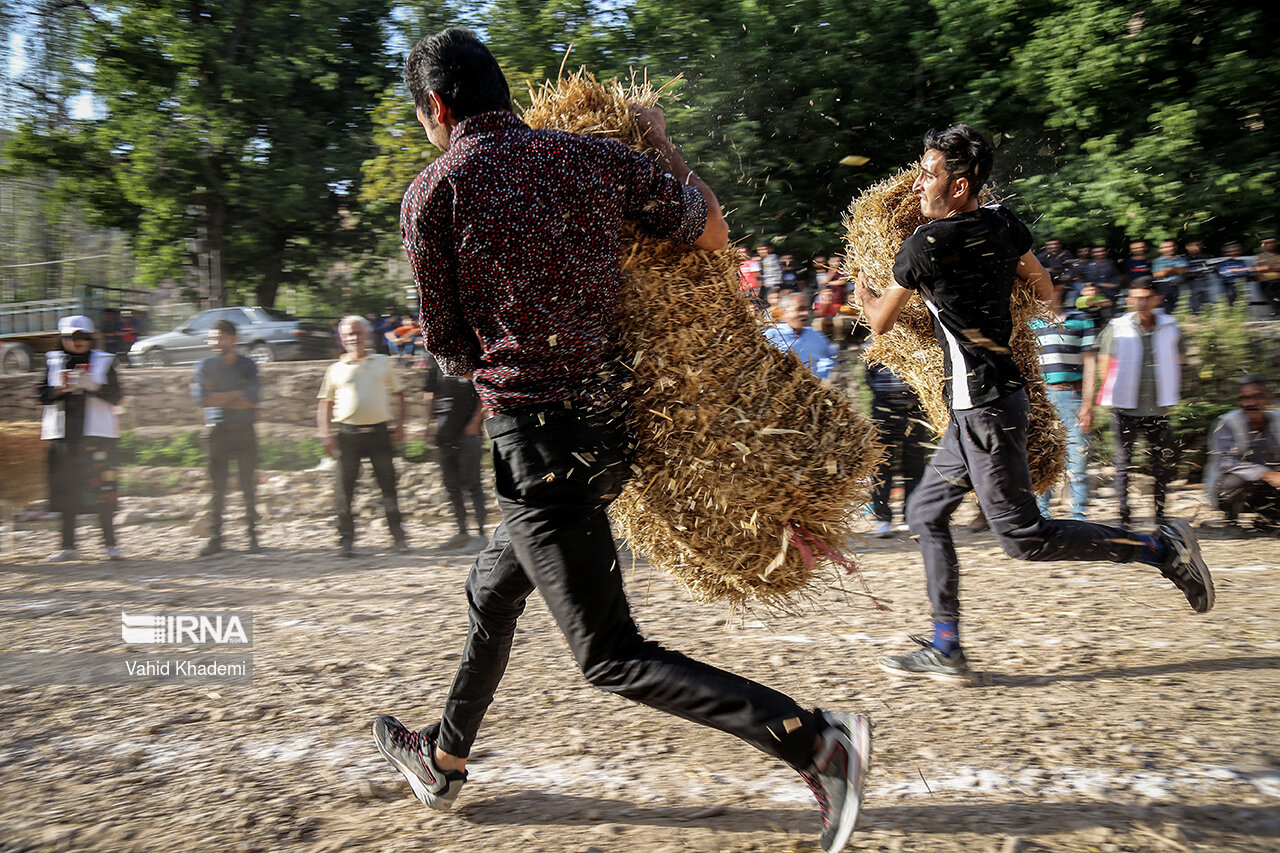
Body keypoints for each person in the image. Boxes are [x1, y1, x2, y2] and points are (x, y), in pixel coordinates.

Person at [372, 29, 870, 853]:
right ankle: (445, 753)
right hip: (611, 435)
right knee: (493, 589)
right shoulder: (588, 159)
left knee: (610, 656)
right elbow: (709, 230)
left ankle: (816, 741)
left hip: (536, 449)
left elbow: (453, 349)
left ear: (437, 106)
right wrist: (666, 142)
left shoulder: (434, 193)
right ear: (501, 89)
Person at [853, 124, 1213, 684]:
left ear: (960, 185)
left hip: (983, 410)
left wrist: (861, 290)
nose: (920, 183)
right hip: (989, 403)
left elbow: (880, 320)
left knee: (1025, 539)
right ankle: (946, 646)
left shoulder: (924, 244)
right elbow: (1044, 288)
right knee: (925, 514)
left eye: (930, 174)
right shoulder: (1001, 223)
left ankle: (1161, 548)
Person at [317, 315, 409, 557]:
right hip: (347, 435)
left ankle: (398, 537)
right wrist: (326, 434)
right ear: (342, 338)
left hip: (379, 433)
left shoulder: (383, 363)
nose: (353, 338)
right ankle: (346, 541)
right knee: (344, 490)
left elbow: (400, 394)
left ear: (367, 335)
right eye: (348, 334)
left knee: (388, 487)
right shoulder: (335, 369)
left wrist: (400, 426)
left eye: (358, 333)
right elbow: (325, 404)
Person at [1095, 279, 1183, 528]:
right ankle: (1124, 517)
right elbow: (1104, 360)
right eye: (1136, 297)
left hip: (1158, 408)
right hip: (1125, 407)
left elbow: (1177, 359)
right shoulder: (1118, 327)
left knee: (1162, 463)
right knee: (1123, 463)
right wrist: (1114, 392)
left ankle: (1161, 516)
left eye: (1146, 297)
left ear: (1156, 299)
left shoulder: (1170, 326)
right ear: (1129, 299)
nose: (1141, 302)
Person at [38, 315, 123, 562]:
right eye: (72, 337)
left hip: (97, 436)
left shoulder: (105, 362)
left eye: (83, 337)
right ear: (62, 339)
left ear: (90, 338)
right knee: (66, 490)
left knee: (103, 492)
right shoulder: (53, 362)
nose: (78, 342)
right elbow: (40, 395)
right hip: (63, 437)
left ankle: (110, 544)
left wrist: (93, 386)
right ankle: (67, 546)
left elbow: (117, 396)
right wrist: (61, 389)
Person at [1029, 277, 1099, 520]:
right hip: (1041, 398)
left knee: (1078, 460)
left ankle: (1079, 516)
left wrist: (1088, 405)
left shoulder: (1081, 321)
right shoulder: (1030, 324)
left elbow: (1090, 366)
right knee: (1042, 457)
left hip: (1072, 395)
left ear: (1058, 289)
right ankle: (1043, 516)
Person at [192, 319, 260, 557]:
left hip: (244, 429)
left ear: (234, 339)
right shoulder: (205, 365)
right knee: (217, 487)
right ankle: (215, 538)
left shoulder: (248, 366)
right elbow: (203, 399)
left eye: (219, 337)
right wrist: (236, 393)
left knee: (248, 485)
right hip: (217, 431)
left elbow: (252, 400)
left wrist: (218, 395)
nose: (214, 342)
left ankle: (252, 536)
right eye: (212, 338)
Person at [422, 352, 487, 550]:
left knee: (473, 484)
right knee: (451, 485)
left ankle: (481, 534)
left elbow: (485, 392)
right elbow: (430, 394)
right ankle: (461, 532)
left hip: (469, 431)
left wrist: (475, 423)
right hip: (444, 430)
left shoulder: (476, 354)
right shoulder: (436, 357)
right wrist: (428, 426)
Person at [1205, 375, 1280, 533]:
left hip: (1267, 489)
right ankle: (1231, 517)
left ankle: (1266, 518)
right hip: (1229, 489)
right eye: (1245, 398)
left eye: (1256, 397)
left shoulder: (1277, 421)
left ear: (1268, 399)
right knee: (1236, 480)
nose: (1250, 403)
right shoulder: (1227, 423)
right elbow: (1225, 462)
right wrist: (1266, 474)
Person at [865, 358, 928, 537]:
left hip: (915, 411)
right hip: (883, 411)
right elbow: (868, 376)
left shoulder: (914, 344)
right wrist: (884, 398)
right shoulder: (873, 344)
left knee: (914, 466)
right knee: (881, 465)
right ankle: (883, 519)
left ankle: (910, 516)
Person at [765, 291, 836, 379]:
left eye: (807, 309)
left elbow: (830, 356)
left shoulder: (815, 335)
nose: (806, 313)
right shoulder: (771, 336)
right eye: (800, 309)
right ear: (783, 313)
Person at [1152, 239, 1188, 312]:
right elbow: (1157, 274)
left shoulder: (1180, 259)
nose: (1170, 248)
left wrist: (1169, 270)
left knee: (1180, 306)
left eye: (1171, 246)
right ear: (1160, 250)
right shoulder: (1157, 261)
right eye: (1166, 247)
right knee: (1165, 308)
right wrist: (1176, 270)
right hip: (1163, 287)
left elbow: (1184, 270)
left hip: (1178, 286)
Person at [1183, 239, 1218, 315]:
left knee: (1209, 301)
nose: (1196, 247)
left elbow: (1213, 268)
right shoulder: (1185, 259)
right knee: (1195, 302)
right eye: (1193, 245)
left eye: (1198, 245)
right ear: (1187, 247)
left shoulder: (1207, 257)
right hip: (1193, 283)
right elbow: (1185, 272)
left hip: (1207, 282)